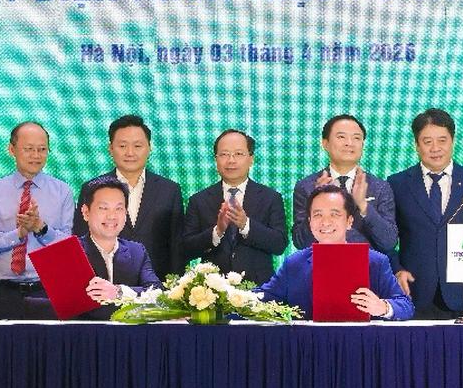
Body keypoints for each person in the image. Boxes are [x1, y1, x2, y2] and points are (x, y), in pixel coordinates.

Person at [388, 108, 463, 319]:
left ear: (453, 141)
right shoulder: (397, 184)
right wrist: (397, 270)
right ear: (416, 145)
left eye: (442, 140)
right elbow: (385, 238)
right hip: (413, 292)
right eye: (427, 141)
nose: (435, 148)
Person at [258, 184, 414, 320]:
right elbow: (263, 297)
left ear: (349, 221)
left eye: (334, 214)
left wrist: (383, 307)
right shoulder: (294, 263)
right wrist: (242, 298)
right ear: (310, 222)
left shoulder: (375, 262)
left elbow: (405, 306)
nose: (325, 222)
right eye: (318, 215)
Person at [0, 121, 75, 319]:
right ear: (11, 149)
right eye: (29, 149)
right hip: (5, 293)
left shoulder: (62, 191)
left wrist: (41, 228)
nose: (36, 155)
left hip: (48, 291)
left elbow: (69, 246)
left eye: (42, 149)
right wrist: (18, 234)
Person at [75, 114, 186, 280]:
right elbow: (81, 240)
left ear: (149, 148)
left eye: (137, 145)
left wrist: (175, 286)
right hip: (104, 284)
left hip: (156, 286)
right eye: (122, 145)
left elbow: (177, 245)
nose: (130, 152)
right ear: (110, 148)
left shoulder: (170, 190)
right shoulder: (92, 188)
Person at [180, 129, 288, 284]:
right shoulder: (198, 200)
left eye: (238, 154)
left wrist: (246, 225)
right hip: (213, 290)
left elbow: (279, 244)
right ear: (216, 159)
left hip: (259, 289)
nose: (231, 160)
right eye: (224, 154)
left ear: (251, 159)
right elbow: (186, 248)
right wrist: (217, 232)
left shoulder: (271, 197)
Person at [290, 114, 398, 263]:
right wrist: (318, 200)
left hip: (367, 269)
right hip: (321, 267)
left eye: (356, 138)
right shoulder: (307, 186)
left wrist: (364, 206)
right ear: (325, 143)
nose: (349, 143)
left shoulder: (380, 187)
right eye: (341, 137)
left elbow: (389, 242)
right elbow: (300, 242)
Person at [79, 176, 161, 315]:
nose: (112, 216)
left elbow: (157, 291)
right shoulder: (69, 252)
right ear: (86, 212)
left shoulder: (137, 251)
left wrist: (119, 292)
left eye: (119, 208)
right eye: (103, 208)